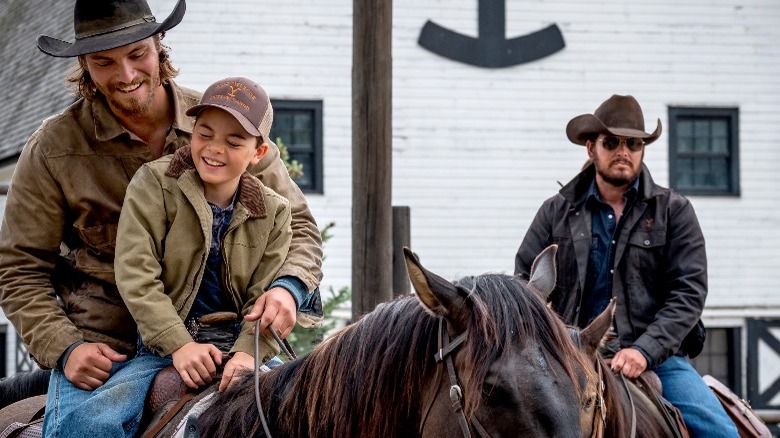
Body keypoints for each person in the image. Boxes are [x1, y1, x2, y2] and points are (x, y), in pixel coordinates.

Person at [0, 0, 322, 422]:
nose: (127, 75)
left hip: (229, 338)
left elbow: (298, 227)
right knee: (87, 429)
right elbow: (19, 269)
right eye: (104, 62)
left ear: (159, 45)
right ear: (85, 65)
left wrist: (287, 289)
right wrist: (65, 346)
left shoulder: (225, 125)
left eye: (138, 55)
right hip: (106, 348)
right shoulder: (54, 148)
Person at [42, 76, 291, 437]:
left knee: (309, 412)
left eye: (234, 141)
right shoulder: (155, 184)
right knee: (89, 424)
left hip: (240, 345)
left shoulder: (275, 212)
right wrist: (180, 345)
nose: (214, 149)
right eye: (205, 134)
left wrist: (249, 354)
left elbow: (263, 296)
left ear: (258, 153)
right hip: (162, 345)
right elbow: (136, 275)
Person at [514, 94, 738, 437]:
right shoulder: (554, 212)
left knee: (721, 433)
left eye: (633, 143)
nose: (624, 151)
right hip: (568, 359)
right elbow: (525, 283)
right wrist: (554, 342)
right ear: (592, 149)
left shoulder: (674, 211)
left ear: (643, 149)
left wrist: (644, 351)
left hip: (660, 360)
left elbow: (688, 294)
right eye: (612, 142)